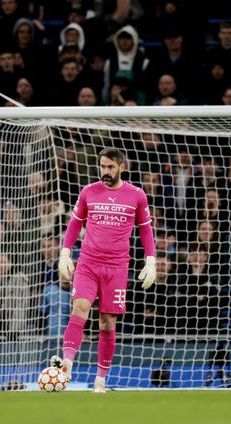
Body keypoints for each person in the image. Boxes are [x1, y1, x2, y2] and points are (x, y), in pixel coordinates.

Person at [52, 148, 155, 392]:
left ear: (122, 166)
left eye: (110, 167)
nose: (105, 171)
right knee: (80, 308)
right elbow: (76, 222)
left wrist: (151, 260)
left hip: (117, 267)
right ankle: (67, 364)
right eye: (102, 166)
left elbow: (145, 229)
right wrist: (65, 252)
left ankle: (100, 380)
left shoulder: (137, 195)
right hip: (88, 262)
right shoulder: (89, 192)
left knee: (107, 322)